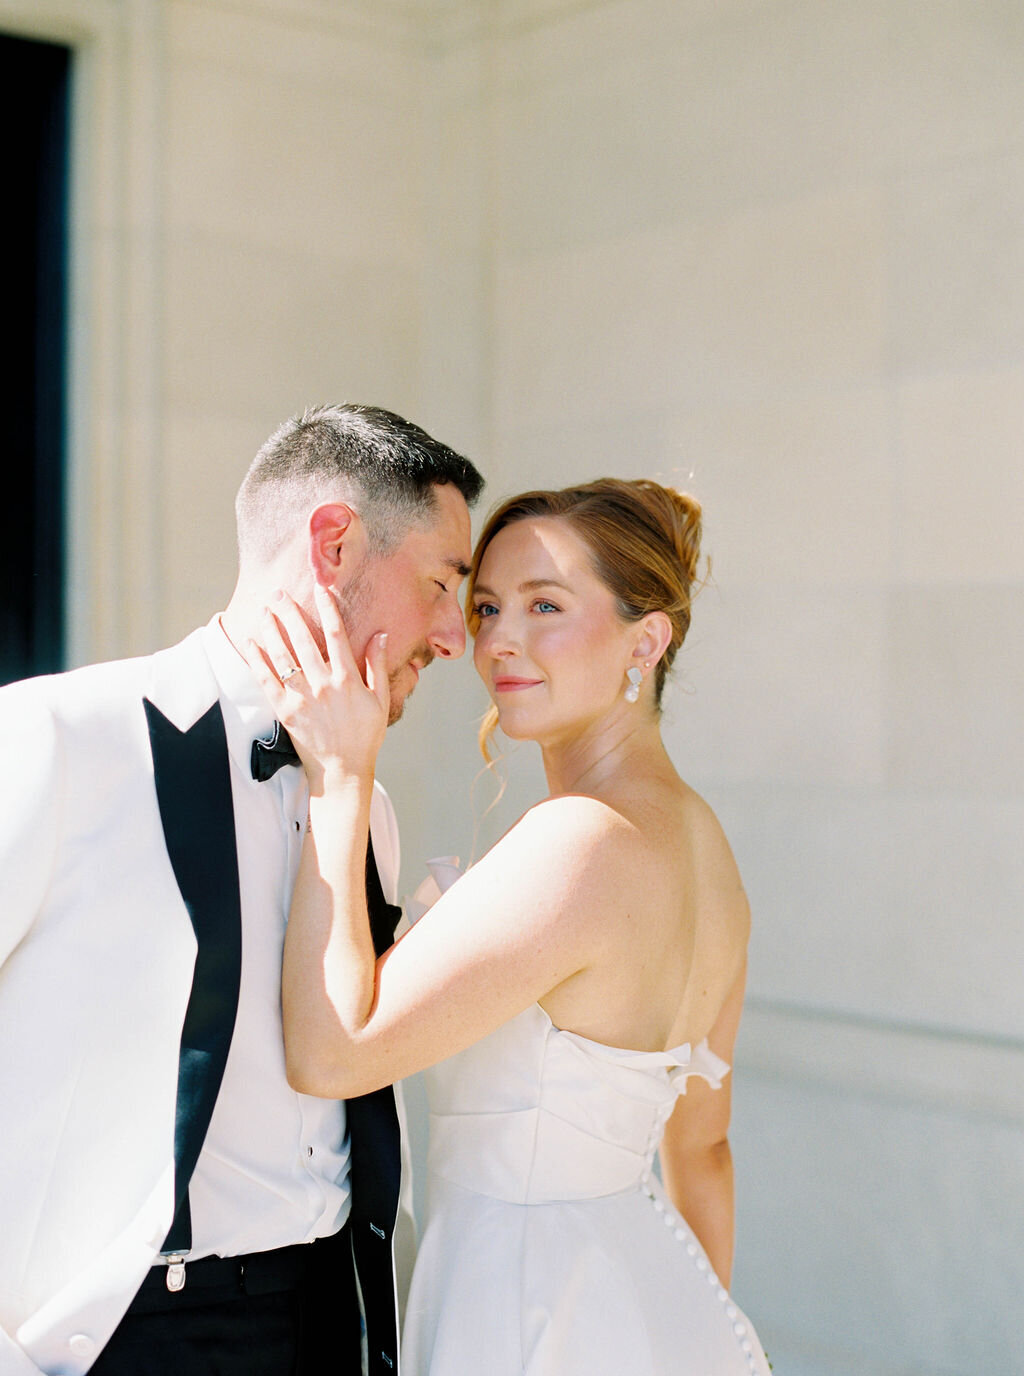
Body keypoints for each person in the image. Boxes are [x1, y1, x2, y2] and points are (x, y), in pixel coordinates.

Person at [0, 403, 484, 1376]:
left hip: (325, 1318)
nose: (453, 636)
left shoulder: (369, 805)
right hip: (122, 1336)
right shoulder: (58, 734)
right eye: (441, 584)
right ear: (334, 542)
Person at [252, 476, 772, 1374]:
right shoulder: (708, 853)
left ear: (647, 638)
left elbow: (334, 1052)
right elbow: (705, 1150)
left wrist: (343, 775)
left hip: (527, 1308)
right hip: (650, 1302)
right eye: (487, 606)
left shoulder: (582, 842)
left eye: (546, 604)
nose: (500, 641)